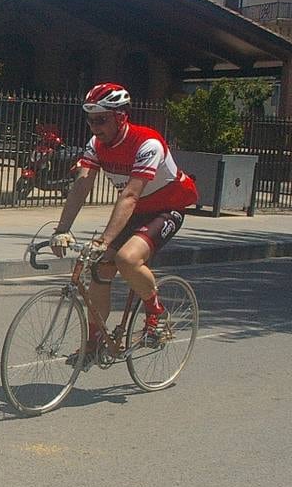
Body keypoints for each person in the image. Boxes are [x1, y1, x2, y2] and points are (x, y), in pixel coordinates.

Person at [50, 82, 199, 367]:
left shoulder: (148, 143)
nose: (95, 127)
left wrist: (105, 240)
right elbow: (81, 186)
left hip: (167, 208)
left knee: (127, 258)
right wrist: (61, 229)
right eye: (90, 119)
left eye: (102, 119)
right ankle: (95, 341)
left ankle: (156, 314)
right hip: (136, 211)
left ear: (121, 116)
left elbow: (130, 195)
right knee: (101, 268)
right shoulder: (96, 144)